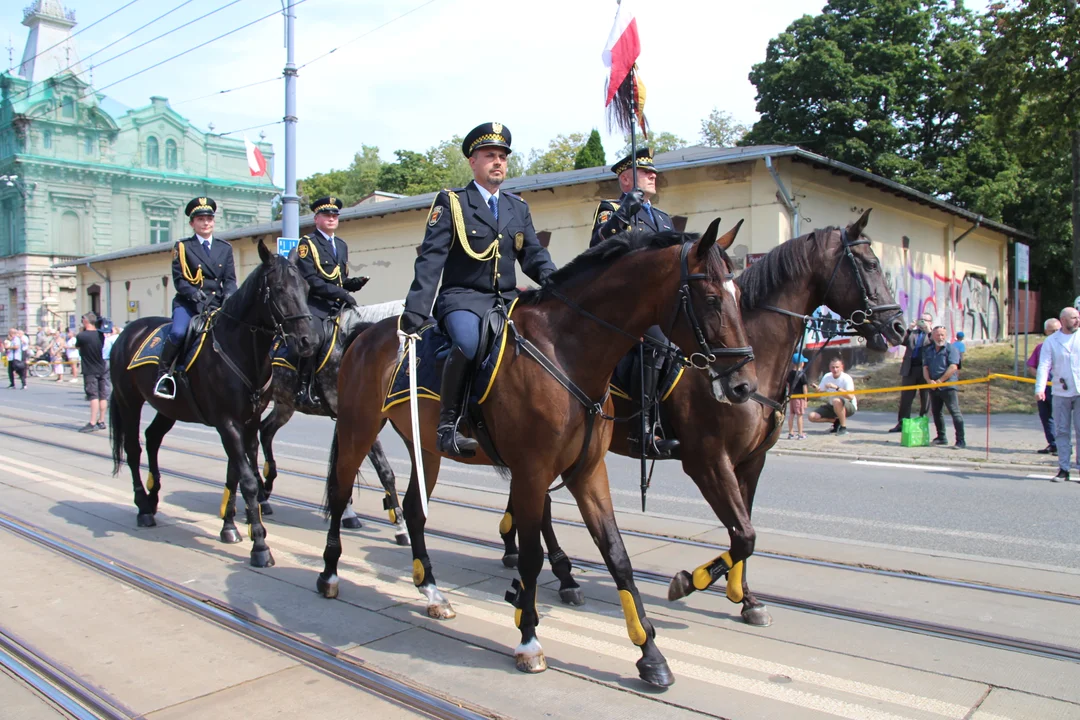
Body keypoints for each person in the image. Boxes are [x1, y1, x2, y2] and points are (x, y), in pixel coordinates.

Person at [400, 122, 557, 457]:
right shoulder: (453, 203)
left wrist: (557, 284)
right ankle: (449, 425)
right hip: (463, 299)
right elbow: (431, 260)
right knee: (470, 344)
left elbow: (533, 255)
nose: (497, 162)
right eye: (490, 156)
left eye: (502, 156)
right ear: (473, 162)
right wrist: (414, 310)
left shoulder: (518, 207)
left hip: (508, 301)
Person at [590, 147, 679, 457]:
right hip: (625, 308)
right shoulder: (611, 209)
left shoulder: (665, 219)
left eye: (653, 171)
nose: (653, 175)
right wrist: (625, 211)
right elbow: (599, 248)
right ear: (626, 178)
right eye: (645, 171)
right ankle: (643, 430)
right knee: (656, 347)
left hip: (661, 307)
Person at [155, 197, 237, 399]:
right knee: (178, 333)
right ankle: (165, 376)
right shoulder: (183, 247)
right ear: (192, 223)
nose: (206, 222)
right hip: (189, 304)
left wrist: (229, 294)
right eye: (200, 219)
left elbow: (230, 279)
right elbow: (179, 280)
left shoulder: (224, 248)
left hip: (216, 304)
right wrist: (193, 293)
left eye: (209, 218)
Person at [293, 196, 369, 406]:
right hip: (315, 305)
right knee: (313, 339)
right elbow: (311, 280)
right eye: (326, 215)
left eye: (335, 215)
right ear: (316, 219)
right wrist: (342, 293)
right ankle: (304, 386)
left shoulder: (341, 245)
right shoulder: (307, 244)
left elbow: (339, 279)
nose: (331, 218)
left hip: (337, 305)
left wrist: (352, 284)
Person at [1036, 306, 1080, 482]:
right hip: (1061, 392)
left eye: (1078, 317)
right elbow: (1044, 365)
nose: (1077, 320)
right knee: (1062, 431)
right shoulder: (1052, 341)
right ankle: (1063, 468)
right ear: (1063, 320)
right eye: (1073, 318)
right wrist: (1039, 388)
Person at [922, 325, 965, 448]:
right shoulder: (928, 350)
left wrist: (940, 381)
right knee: (936, 412)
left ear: (946, 336)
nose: (940, 337)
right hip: (933, 386)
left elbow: (953, 367)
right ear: (932, 336)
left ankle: (960, 441)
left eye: (942, 335)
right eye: (937, 335)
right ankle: (941, 437)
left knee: (955, 412)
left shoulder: (951, 349)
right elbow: (925, 367)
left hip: (948, 386)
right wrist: (929, 381)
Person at [889, 313, 932, 432]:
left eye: (925, 320)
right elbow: (901, 341)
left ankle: (923, 424)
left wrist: (929, 331)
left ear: (930, 322)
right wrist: (909, 328)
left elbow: (935, 344)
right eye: (921, 320)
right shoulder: (913, 333)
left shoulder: (932, 334)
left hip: (925, 370)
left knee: (926, 398)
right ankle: (902, 423)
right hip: (910, 369)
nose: (922, 322)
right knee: (906, 399)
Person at [1027, 318, 1060, 454]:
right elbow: (1031, 366)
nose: (1055, 333)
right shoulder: (1041, 347)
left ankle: (1063, 446)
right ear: (1046, 331)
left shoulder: (1066, 345)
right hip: (1045, 387)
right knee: (1045, 416)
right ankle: (1052, 443)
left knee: (1060, 417)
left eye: (1057, 330)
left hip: (1060, 387)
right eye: (1052, 331)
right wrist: (1042, 378)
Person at [75, 312, 109, 432]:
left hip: (89, 368)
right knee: (103, 395)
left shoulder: (82, 336)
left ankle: (92, 422)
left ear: (85, 321)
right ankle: (102, 420)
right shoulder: (101, 335)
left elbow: (78, 347)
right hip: (102, 367)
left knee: (93, 395)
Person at [808, 357, 857, 435]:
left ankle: (843, 428)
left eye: (837, 367)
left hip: (848, 405)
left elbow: (850, 396)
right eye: (833, 367)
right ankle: (836, 422)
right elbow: (819, 394)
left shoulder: (846, 378)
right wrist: (817, 389)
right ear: (829, 368)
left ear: (842, 367)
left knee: (836, 400)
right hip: (832, 406)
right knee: (812, 416)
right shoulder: (827, 376)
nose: (835, 369)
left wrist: (836, 388)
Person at [786, 353, 809, 440]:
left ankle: (790, 433)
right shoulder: (802, 375)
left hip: (792, 397)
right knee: (800, 415)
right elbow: (805, 388)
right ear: (802, 363)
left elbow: (788, 385)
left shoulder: (790, 373)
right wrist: (806, 399)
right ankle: (800, 433)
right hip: (800, 397)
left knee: (791, 414)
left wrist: (789, 394)